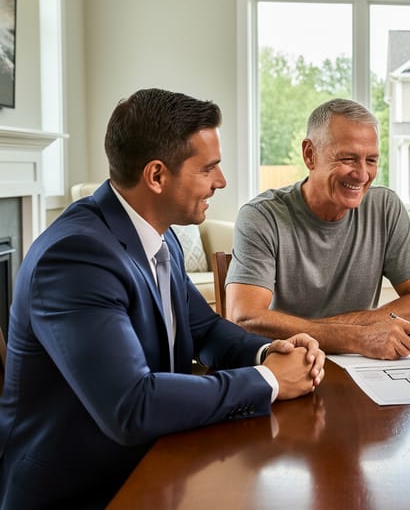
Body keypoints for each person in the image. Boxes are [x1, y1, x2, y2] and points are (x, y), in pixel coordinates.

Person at [0, 88, 326, 509]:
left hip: (155, 465)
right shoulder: (76, 257)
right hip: (85, 491)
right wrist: (270, 382)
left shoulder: (158, 234)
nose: (221, 181)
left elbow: (203, 327)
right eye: (209, 168)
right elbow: (131, 406)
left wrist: (268, 352)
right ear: (156, 176)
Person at [226, 98, 410, 360]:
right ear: (310, 154)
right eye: (348, 158)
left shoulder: (385, 207)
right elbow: (244, 318)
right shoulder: (262, 216)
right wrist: (356, 336)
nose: (362, 174)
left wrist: (350, 331)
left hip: (364, 366)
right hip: (291, 363)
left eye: (371, 160)